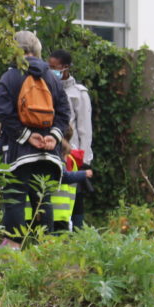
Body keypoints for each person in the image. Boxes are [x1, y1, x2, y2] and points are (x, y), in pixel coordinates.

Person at [0, 31, 71, 247]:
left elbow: (4, 112)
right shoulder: (52, 78)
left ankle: (13, 249)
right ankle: (44, 248)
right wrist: (54, 137)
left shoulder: (9, 77)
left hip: (17, 152)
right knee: (43, 200)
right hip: (48, 153)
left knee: (15, 200)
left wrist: (27, 136)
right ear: (37, 50)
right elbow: (64, 111)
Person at [47, 49, 93, 229]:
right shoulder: (46, 87)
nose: (50, 70)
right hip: (50, 148)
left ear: (65, 68)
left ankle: (79, 232)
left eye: (54, 67)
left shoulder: (78, 93)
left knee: (74, 194)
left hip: (73, 153)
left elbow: (84, 129)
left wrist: (86, 159)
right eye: (48, 66)